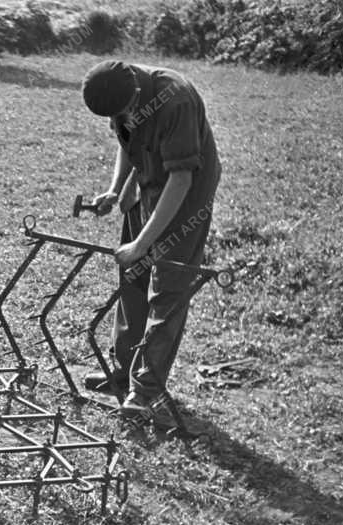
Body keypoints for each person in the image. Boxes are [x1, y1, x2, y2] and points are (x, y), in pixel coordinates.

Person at [80, 60, 221, 419]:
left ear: (138, 95)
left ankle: (145, 391)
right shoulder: (120, 90)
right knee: (133, 275)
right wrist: (115, 190)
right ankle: (122, 372)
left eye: (119, 114)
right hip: (149, 180)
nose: (114, 125)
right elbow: (127, 140)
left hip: (184, 194)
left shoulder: (176, 101)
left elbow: (181, 180)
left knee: (167, 290)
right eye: (109, 119)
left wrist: (143, 244)